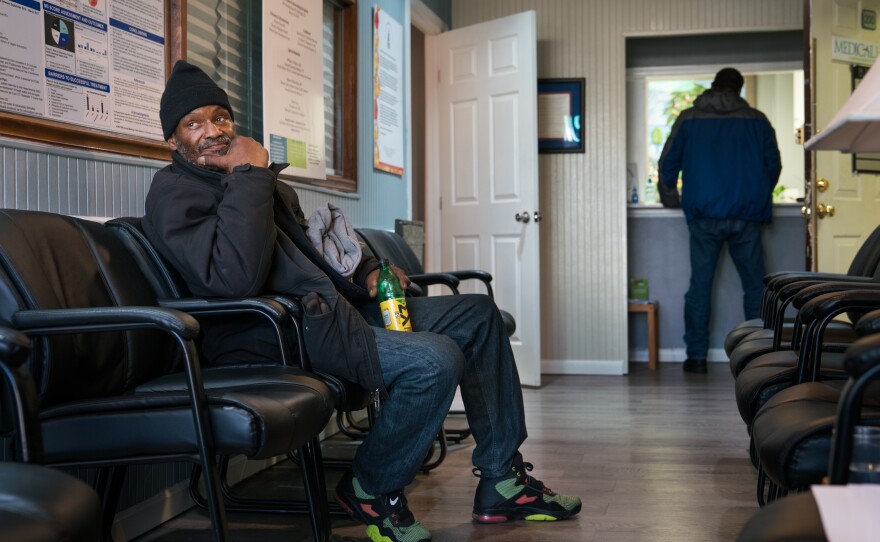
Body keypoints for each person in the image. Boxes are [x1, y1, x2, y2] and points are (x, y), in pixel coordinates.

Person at [143, 60, 581, 542]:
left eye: (220, 116)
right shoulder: (175, 193)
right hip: (273, 334)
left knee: (475, 313)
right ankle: (372, 485)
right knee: (433, 362)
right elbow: (233, 282)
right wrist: (249, 173)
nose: (213, 130)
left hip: (328, 313)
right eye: (194, 123)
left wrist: (369, 271)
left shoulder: (262, 184)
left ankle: (502, 477)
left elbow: (318, 257)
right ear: (174, 140)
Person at [658, 67, 781, 374]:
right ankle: (759, 353)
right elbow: (773, 165)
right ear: (738, 89)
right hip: (747, 214)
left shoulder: (689, 118)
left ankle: (696, 358)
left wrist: (670, 197)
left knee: (700, 286)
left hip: (703, 214)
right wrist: (758, 194)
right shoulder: (757, 119)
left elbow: (667, 163)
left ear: (712, 87)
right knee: (755, 288)